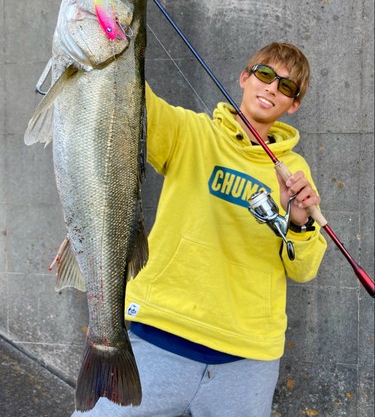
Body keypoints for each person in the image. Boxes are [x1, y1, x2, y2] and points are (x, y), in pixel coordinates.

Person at [73, 42, 327, 417]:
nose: (272, 88)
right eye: (265, 74)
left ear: (294, 105)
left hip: (247, 361)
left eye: (287, 87)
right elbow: (127, 94)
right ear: (245, 78)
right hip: (157, 339)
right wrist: (111, 36)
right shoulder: (189, 131)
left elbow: (303, 268)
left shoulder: (295, 171)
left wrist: (301, 221)